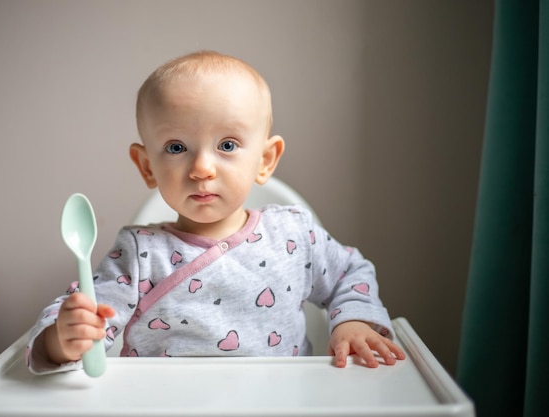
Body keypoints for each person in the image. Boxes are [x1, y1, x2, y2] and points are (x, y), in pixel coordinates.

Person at [26, 50, 405, 374]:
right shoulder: (139, 254)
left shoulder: (294, 235)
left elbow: (349, 274)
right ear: (146, 166)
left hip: (279, 404)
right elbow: (89, 312)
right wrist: (64, 338)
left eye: (227, 144)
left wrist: (353, 320)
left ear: (265, 159)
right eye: (176, 148)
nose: (202, 168)